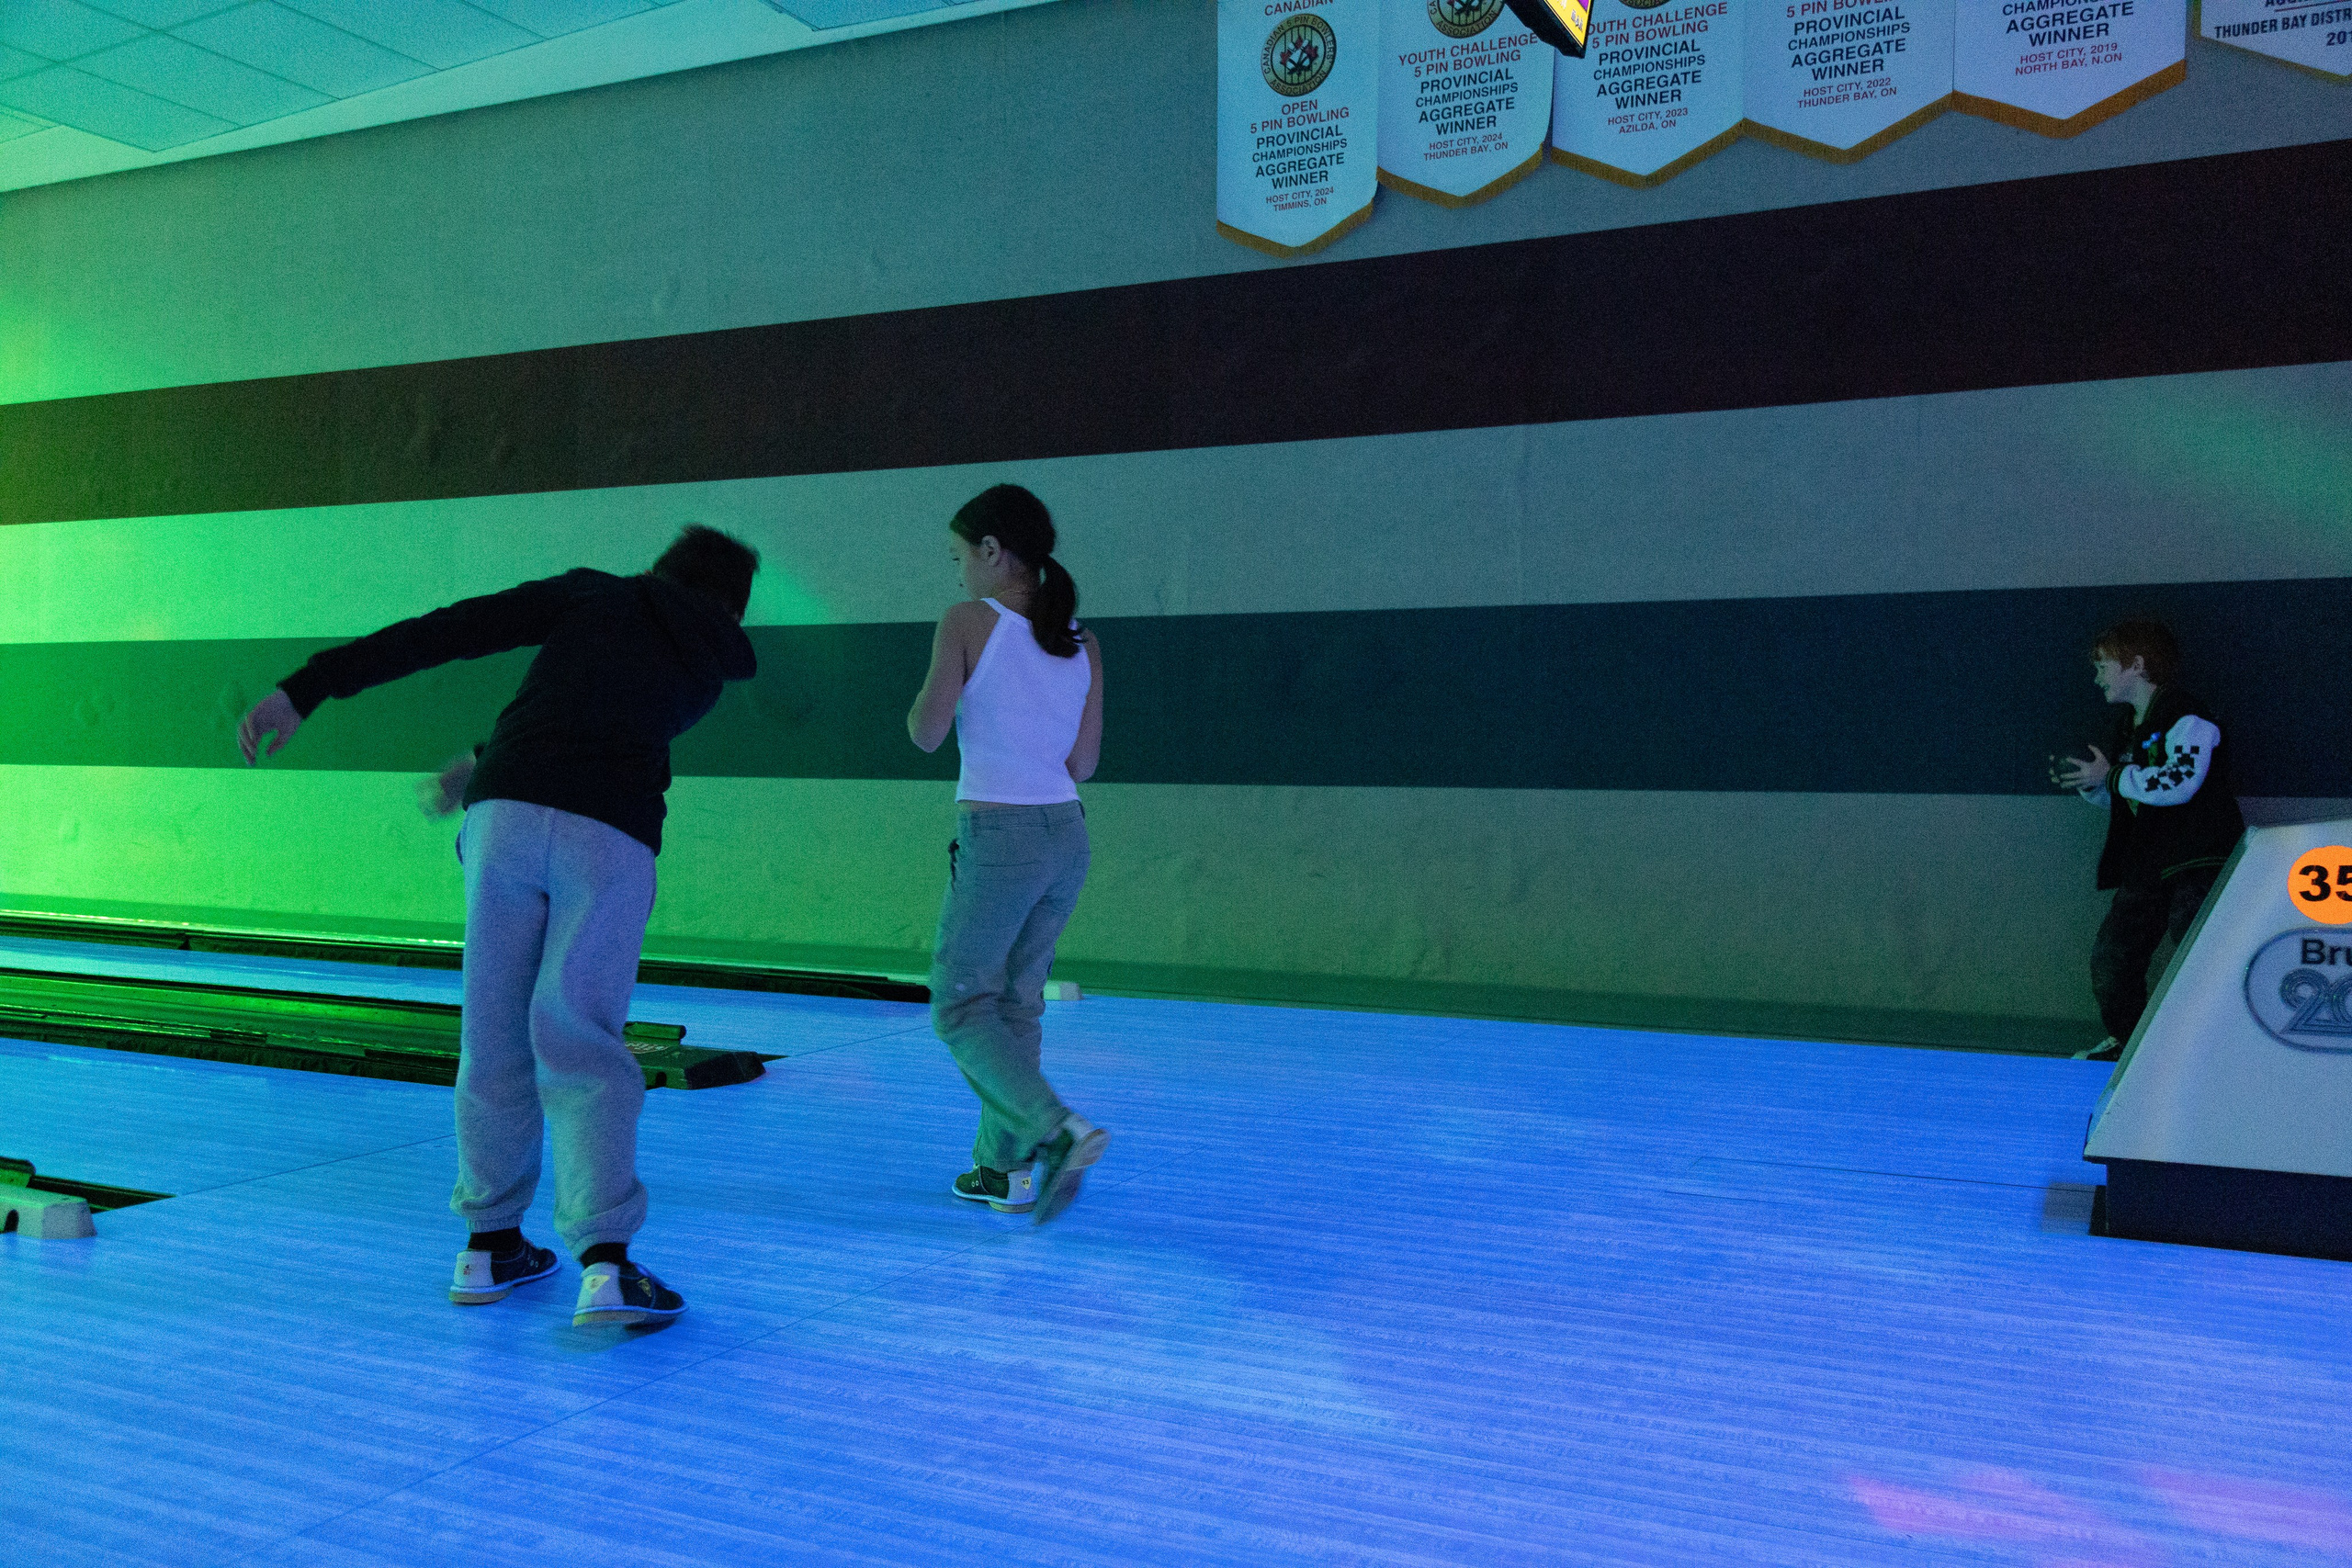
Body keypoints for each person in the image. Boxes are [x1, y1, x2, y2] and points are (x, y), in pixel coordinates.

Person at [235, 525, 759, 1325]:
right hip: (610, 836)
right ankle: (607, 1267)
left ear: (657, 571)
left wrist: (308, 688)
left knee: (493, 1036)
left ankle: (489, 1245)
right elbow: (609, 722)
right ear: (732, 610)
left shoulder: (598, 593)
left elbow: (455, 630)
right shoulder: (708, 662)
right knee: (581, 1043)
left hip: (504, 818)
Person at [906, 484, 1108, 1224]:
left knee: (961, 1006)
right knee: (1017, 1006)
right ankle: (1004, 1169)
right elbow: (1083, 764)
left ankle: (1056, 1129)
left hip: (1002, 838)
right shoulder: (1082, 640)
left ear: (992, 552)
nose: (958, 571)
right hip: (1067, 836)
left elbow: (926, 732)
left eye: (959, 555)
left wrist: (948, 685)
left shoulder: (967, 620)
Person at [2049, 618, 2244, 1062]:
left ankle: (2212, 1057)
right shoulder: (2129, 726)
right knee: (2112, 962)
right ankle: (2133, 1047)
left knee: (2197, 960)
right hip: (2147, 865)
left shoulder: (2187, 717)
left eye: (2103, 665)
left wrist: (2112, 776)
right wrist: (2093, 784)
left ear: (2136, 665)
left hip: (2196, 862)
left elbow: (2179, 782)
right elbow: (2132, 793)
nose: (2097, 677)